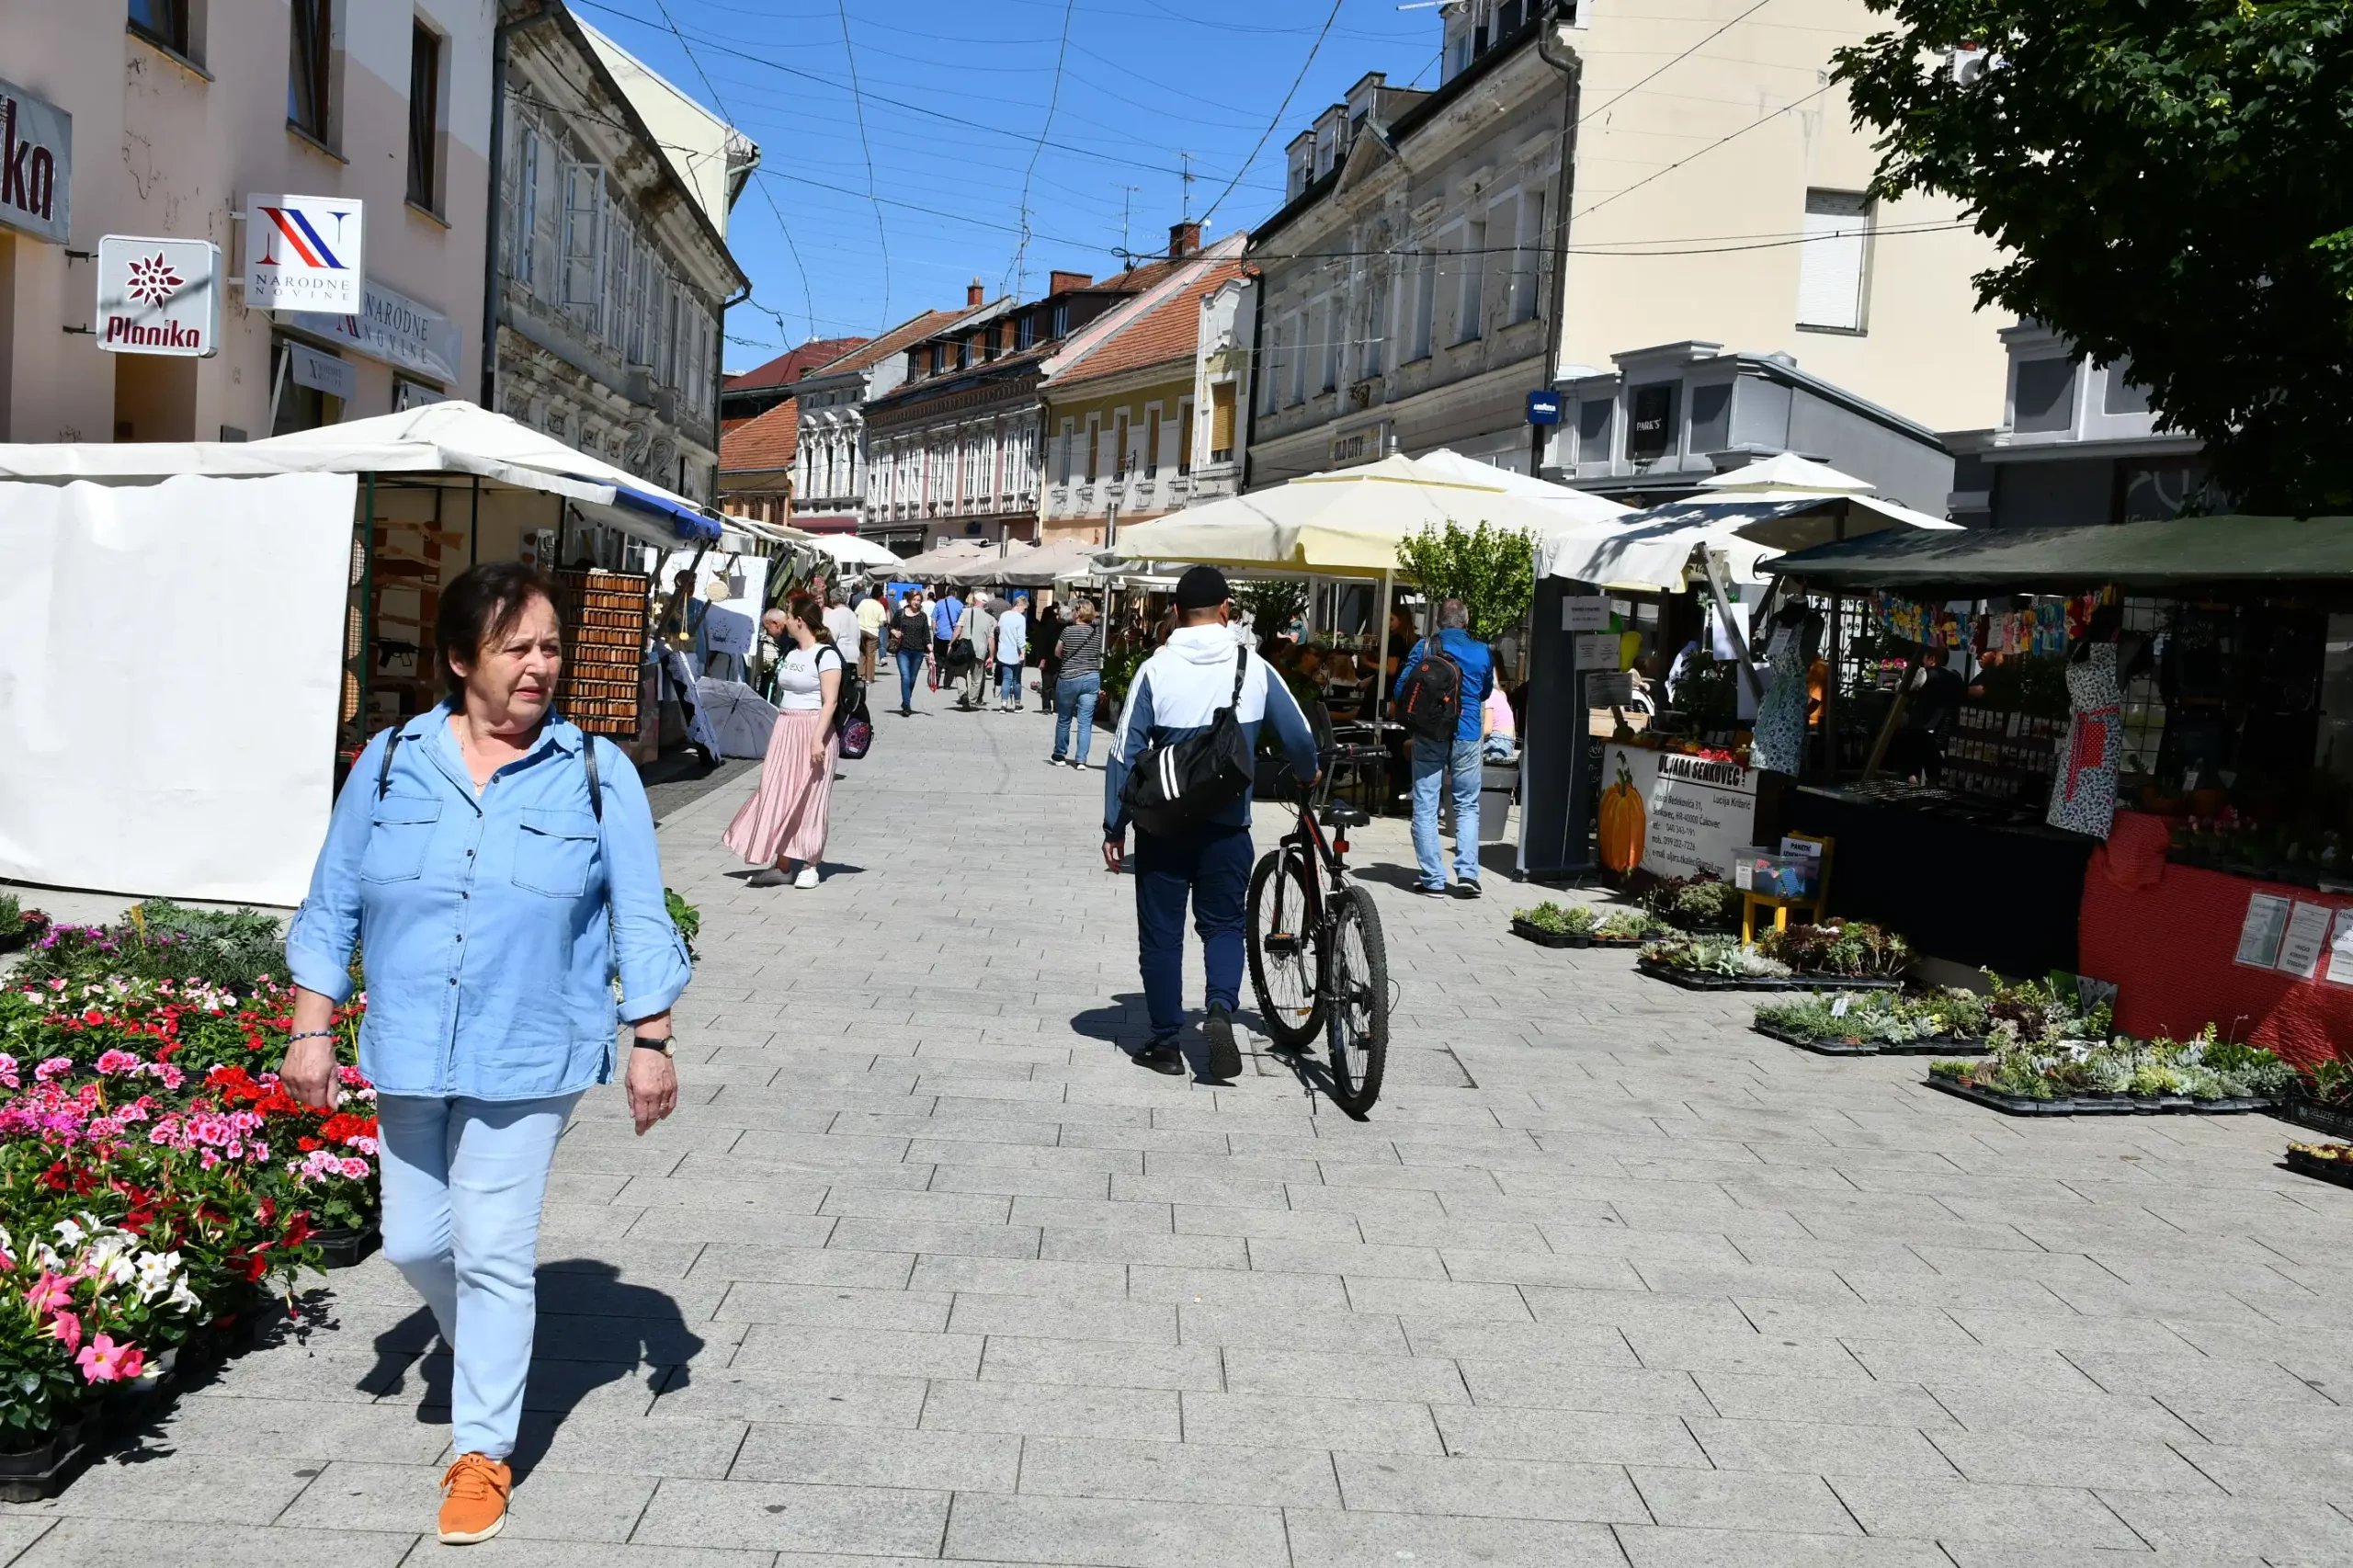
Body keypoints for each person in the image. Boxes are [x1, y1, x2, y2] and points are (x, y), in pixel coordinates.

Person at [280, 562, 688, 1546]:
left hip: (531, 1045)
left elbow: (639, 913)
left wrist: (652, 1038)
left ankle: (482, 1451)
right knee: (416, 1241)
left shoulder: (596, 772)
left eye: (550, 647)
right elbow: (334, 900)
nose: (539, 666)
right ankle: (487, 1349)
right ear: (462, 659)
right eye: (517, 648)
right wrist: (310, 1024)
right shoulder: (389, 762)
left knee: (495, 1246)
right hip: (410, 1041)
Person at [1104, 566, 1320, 1080]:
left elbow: (1123, 753)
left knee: (1161, 934)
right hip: (1228, 827)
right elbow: (1299, 735)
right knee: (1223, 926)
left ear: (1177, 612)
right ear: (1226, 610)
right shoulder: (1254, 666)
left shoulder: (1154, 669)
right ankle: (1220, 1009)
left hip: (1162, 827)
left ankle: (1164, 1042)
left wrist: (1115, 826)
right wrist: (1307, 773)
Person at [724, 597, 844, 888]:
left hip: (813, 729)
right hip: (786, 727)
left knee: (810, 799)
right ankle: (782, 865)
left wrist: (817, 740)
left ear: (800, 621)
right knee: (776, 792)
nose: (786, 621)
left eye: (789, 616)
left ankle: (811, 865)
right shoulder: (790, 651)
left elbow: (830, 701)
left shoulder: (826, 655)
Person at [1395, 597, 1496, 897]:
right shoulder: (1482, 651)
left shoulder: (1425, 647)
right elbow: (1486, 692)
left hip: (1430, 732)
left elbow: (1401, 688)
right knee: (1467, 804)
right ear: (1466, 621)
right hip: (1468, 732)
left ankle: (1433, 879)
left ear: (1438, 621)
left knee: (1426, 804)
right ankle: (1468, 875)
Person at [1051, 600, 1105, 768]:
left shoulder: (1068, 631)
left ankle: (1060, 755)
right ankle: (1081, 760)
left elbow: (1057, 652)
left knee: (1064, 718)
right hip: (1091, 678)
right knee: (1085, 722)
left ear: (1078, 613)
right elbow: (1097, 654)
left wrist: (1068, 658)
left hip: (1069, 677)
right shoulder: (1096, 634)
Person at [888, 591, 931, 716]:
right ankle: (907, 706)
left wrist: (931, 651)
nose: (916, 602)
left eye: (918, 600)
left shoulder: (923, 616)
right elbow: (890, 626)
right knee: (905, 677)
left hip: (918, 652)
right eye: (914, 599)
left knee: (912, 679)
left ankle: (905, 700)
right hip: (903, 650)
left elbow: (926, 635)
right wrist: (895, 632)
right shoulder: (900, 613)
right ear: (909, 600)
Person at [955, 592, 997, 711]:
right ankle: (971, 701)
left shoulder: (965, 612)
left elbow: (958, 629)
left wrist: (950, 643)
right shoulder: (991, 619)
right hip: (980, 650)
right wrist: (991, 657)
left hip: (965, 648)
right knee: (977, 678)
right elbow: (991, 639)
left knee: (959, 673)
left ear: (975, 600)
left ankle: (963, 694)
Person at [996, 594, 1029, 712]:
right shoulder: (1020, 618)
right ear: (1020, 605)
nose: (1025, 611)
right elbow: (1020, 639)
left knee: (1006, 678)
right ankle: (1017, 704)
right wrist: (1023, 653)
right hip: (1015, 652)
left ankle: (1003, 705)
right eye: (1025, 609)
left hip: (1003, 651)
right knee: (1016, 679)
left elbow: (998, 629)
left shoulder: (1004, 615)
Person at [1031, 599, 1066, 713]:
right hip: (1052, 656)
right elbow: (1043, 642)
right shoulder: (1053, 624)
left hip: (1056, 657)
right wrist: (1042, 658)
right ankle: (1049, 707)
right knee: (1050, 684)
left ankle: (1051, 707)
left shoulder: (1064, 626)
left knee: (1053, 684)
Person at [823, 587, 863, 677]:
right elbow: (858, 636)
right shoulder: (852, 614)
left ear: (831, 600)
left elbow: (832, 636)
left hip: (839, 655)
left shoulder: (833, 614)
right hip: (853, 655)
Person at [929, 585, 962, 693]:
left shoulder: (939, 603)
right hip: (953, 636)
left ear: (946, 593)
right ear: (955, 594)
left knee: (939, 659)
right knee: (951, 660)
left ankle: (936, 682)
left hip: (940, 635)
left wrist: (935, 632)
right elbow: (961, 622)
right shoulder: (960, 605)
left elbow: (933, 621)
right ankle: (947, 684)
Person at [854, 587, 888, 685]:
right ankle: (869, 677)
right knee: (870, 655)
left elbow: (856, 613)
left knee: (861, 653)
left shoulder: (864, 602)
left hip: (861, 630)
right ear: (880, 596)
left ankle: (860, 674)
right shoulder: (880, 606)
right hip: (872, 632)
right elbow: (882, 621)